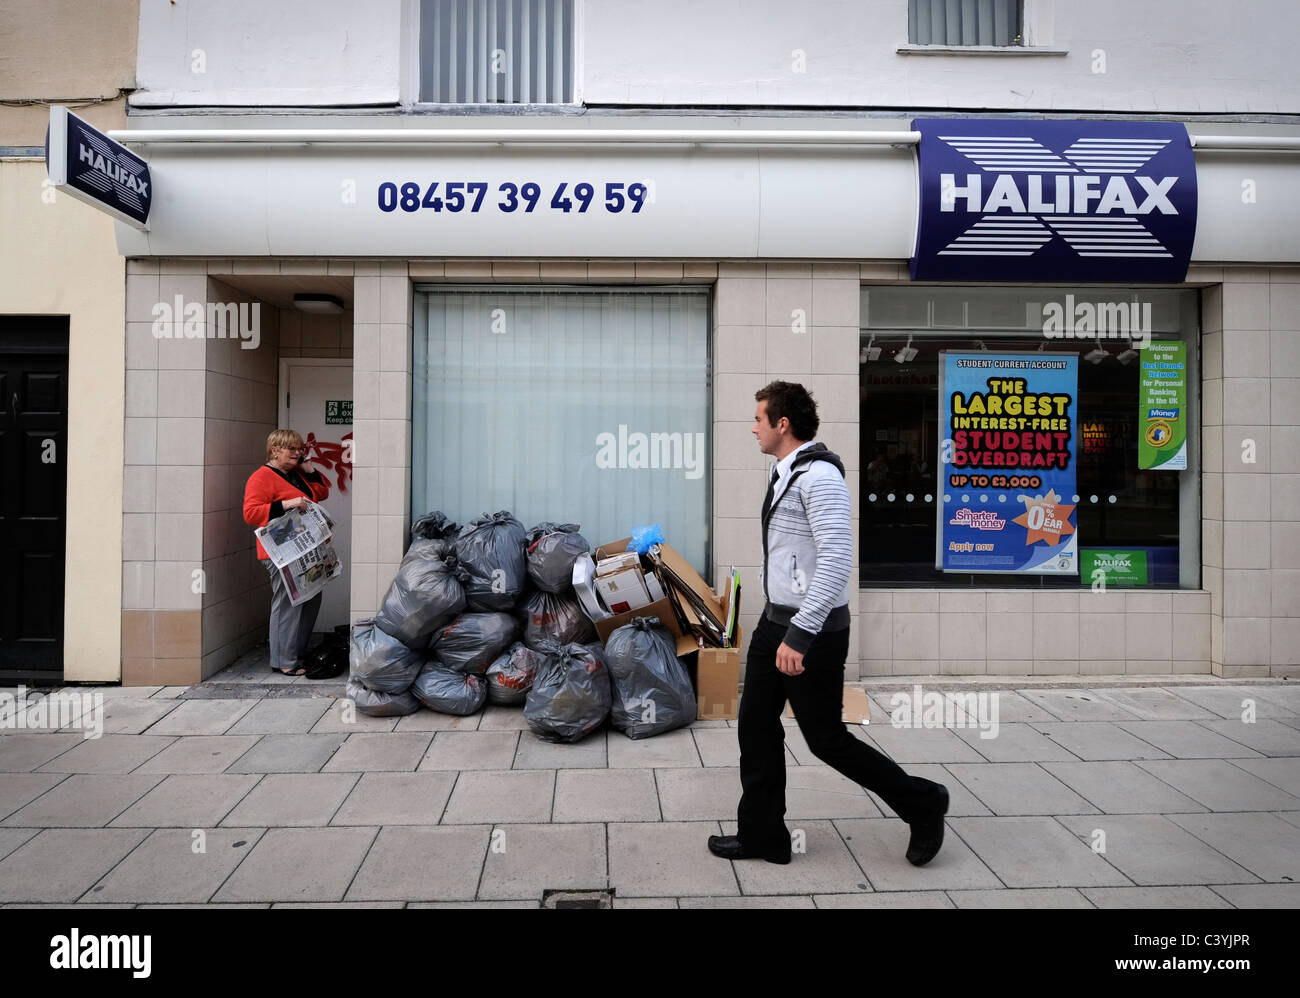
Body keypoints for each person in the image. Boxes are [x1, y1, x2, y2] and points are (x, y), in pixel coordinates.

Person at [707, 381, 949, 867]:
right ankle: (762, 835)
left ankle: (922, 801)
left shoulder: (820, 478)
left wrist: (800, 633)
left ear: (783, 424)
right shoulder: (783, 472)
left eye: (759, 418)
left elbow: (838, 560)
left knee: (826, 741)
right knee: (754, 727)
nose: (751, 427)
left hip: (810, 633)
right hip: (774, 623)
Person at [243, 429, 332, 676]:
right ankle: (284, 660)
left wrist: (309, 469)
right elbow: (250, 513)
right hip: (280, 551)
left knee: (312, 597)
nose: (297, 453)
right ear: (274, 450)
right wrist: (286, 504)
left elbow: (322, 492)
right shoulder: (261, 477)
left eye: (299, 449)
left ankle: (297, 652)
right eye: (291, 449)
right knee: (288, 603)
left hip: (304, 549)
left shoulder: (295, 474)